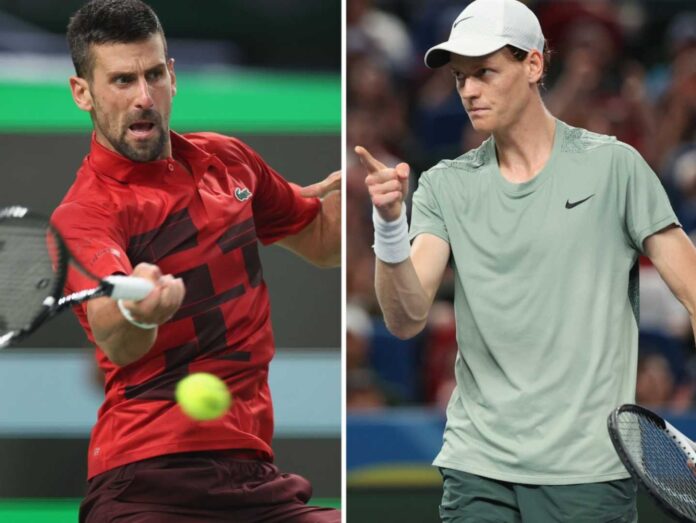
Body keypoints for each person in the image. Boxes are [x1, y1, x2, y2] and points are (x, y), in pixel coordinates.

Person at [356, 0, 696, 521]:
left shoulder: (615, 168)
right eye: (460, 77)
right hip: (479, 468)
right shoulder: (444, 186)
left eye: (485, 72)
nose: (469, 90)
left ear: (534, 65)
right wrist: (388, 226)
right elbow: (404, 319)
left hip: (588, 475)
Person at [51, 1, 341, 521]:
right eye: (121, 81)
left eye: (154, 74)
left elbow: (323, 242)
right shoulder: (84, 215)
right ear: (82, 93)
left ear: (172, 77)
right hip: (145, 478)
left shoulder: (228, 160)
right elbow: (115, 335)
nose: (143, 98)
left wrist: (370, 208)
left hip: (255, 476)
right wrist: (141, 309)